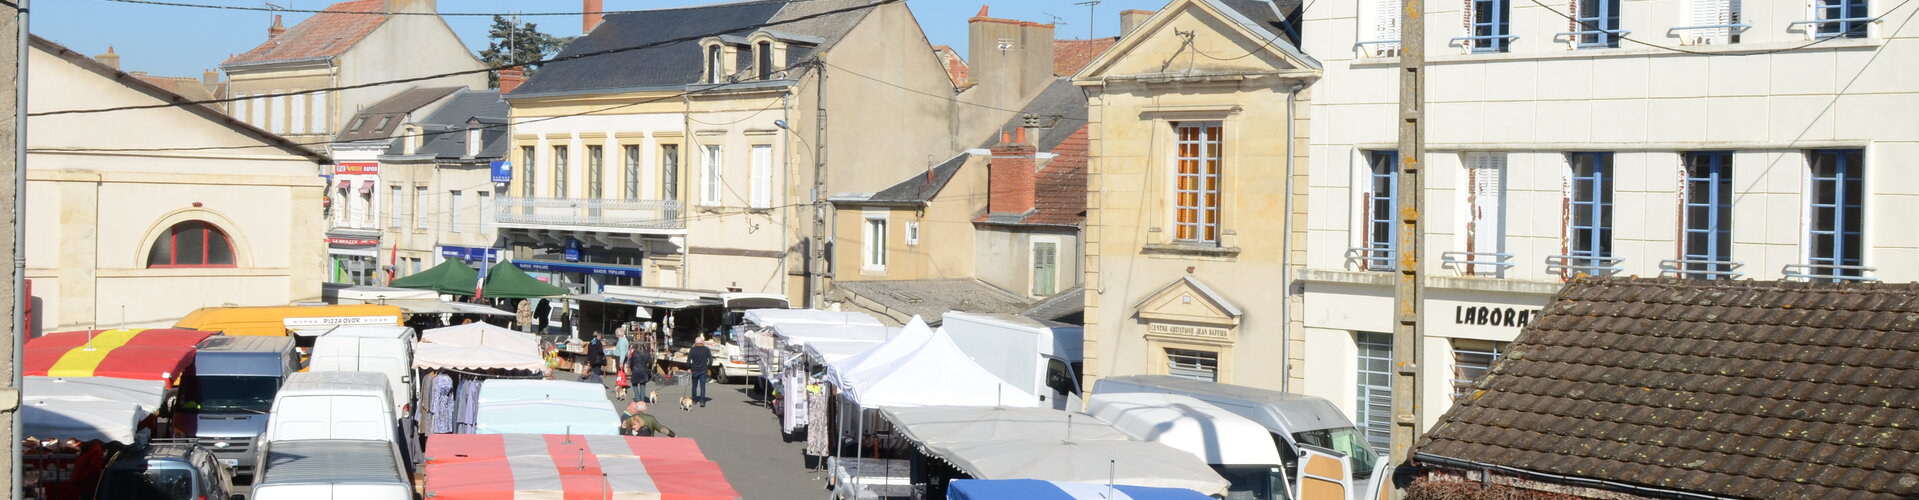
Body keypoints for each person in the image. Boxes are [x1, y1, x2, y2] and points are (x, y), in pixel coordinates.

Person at [685, 339, 713, 407]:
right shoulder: (706, 349)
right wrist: (708, 366)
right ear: (702, 342)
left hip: (694, 370)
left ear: (695, 342)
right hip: (703, 370)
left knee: (694, 386)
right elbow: (711, 360)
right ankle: (702, 401)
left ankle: (694, 400)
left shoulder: (692, 349)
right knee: (702, 386)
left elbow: (688, 360)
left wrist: (688, 368)